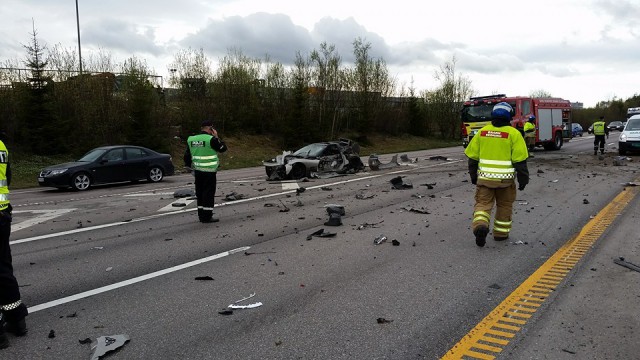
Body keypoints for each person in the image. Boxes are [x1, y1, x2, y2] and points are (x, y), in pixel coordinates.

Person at [464, 102, 530, 247]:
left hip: (485, 180)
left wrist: (473, 176)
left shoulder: (482, 132)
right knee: (504, 206)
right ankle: (500, 234)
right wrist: (523, 180)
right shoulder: (513, 134)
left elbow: (472, 158)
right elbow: (520, 161)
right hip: (505, 182)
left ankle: (480, 226)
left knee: (483, 205)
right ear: (509, 116)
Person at [0, 138, 28, 349]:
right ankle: (17, 320)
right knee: (3, 267)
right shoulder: (1, 145)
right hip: (2, 213)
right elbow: (6, 178)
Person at [184, 120, 227, 223]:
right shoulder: (211, 139)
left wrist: (188, 165)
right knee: (208, 193)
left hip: (198, 171)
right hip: (209, 171)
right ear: (210, 129)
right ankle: (207, 216)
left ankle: (201, 215)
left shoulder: (191, 139)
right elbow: (222, 148)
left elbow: (187, 155)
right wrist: (216, 137)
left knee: (200, 193)